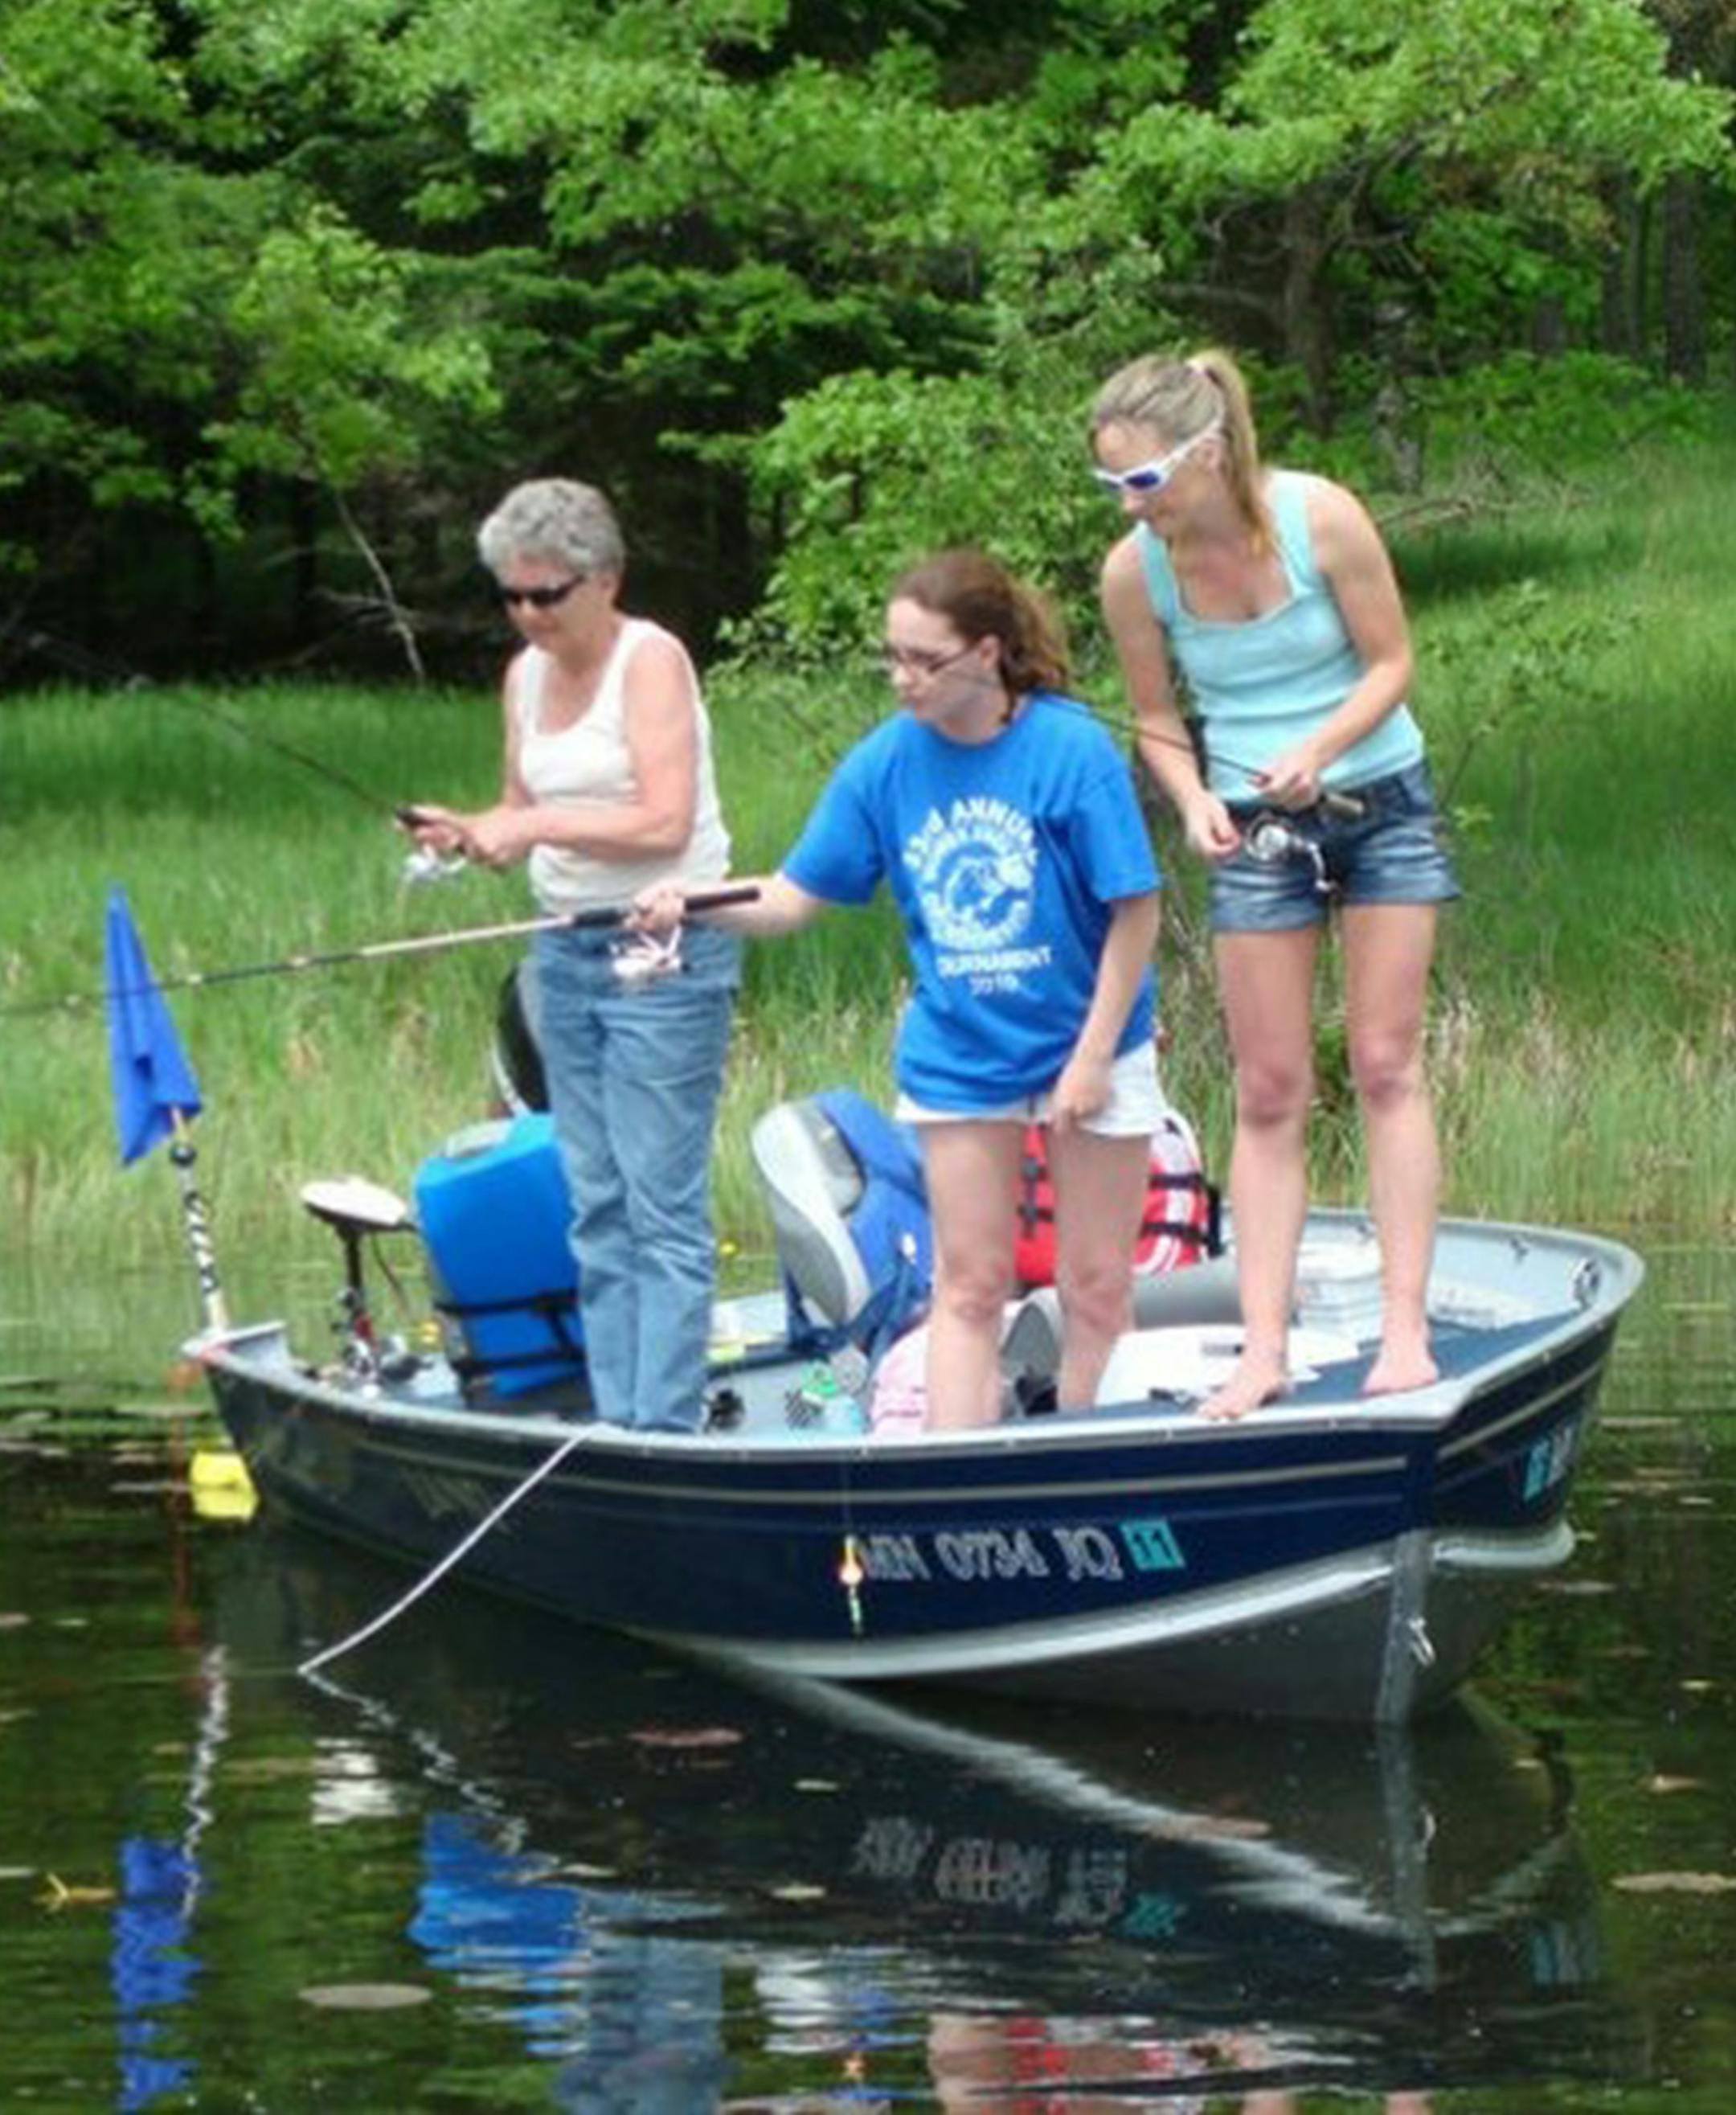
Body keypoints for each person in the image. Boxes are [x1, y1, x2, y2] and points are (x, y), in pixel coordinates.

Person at [641, 549, 1163, 1431]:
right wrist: (691, 905)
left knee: (1096, 1285)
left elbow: (1135, 912)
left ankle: (1090, 1457)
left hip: (1092, 1037)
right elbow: (794, 896)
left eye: (926, 659)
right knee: (970, 1285)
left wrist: (1092, 1058)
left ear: (989, 653)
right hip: (962, 1052)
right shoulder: (884, 765)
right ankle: (960, 1469)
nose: (903, 678)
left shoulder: (1071, 750)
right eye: (893, 656)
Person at [1091, 346, 1459, 1422]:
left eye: (1143, 480)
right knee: (1268, 1086)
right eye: (1110, 484)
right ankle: (1263, 1350)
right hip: (1252, 824)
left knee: (1387, 1060)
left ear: (1205, 455)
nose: (1128, 503)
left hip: (1377, 798)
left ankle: (1404, 1328)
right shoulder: (1135, 570)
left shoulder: (1320, 517)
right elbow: (1157, 715)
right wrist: (1194, 793)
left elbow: (1392, 663)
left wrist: (1321, 744)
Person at [406, 478, 739, 1432]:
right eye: (511, 596)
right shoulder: (523, 676)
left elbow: (663, 817)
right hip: (564, 950)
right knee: (593, 1199)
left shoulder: (651, 661)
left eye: (546, 595)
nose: (527, 615)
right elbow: (521, 809)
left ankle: (663, 1426)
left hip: (665, 948)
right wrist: (471, 832)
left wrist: (538, 825)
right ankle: (616, 1414)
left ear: (604, 580)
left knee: (657, 1200)